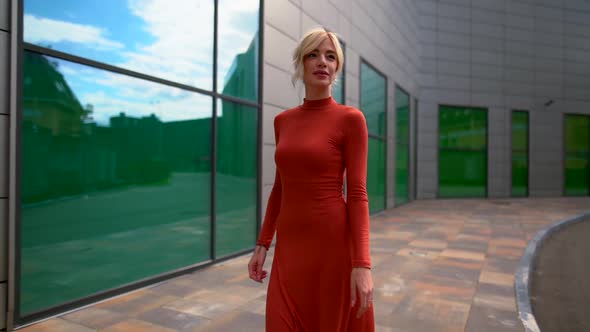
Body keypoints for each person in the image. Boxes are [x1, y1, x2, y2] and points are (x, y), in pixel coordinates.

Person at [247, 27, 375, 331]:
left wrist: (362, 264)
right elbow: (280, 188)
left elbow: (357, 194)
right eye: (313, 54)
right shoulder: (283, 121)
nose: (322, 62)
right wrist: (263, 244)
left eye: (330, 56)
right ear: (301, 64)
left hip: (332, 247)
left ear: (337, 68)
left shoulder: (350, 119)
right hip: (290, 248)